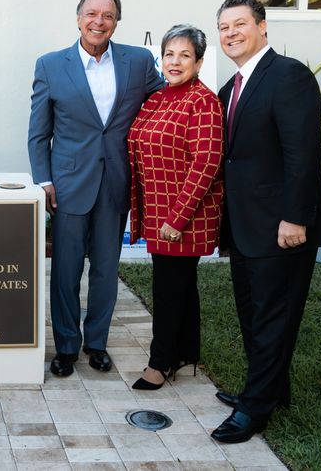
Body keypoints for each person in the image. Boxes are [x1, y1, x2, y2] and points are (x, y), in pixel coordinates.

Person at [210, 0, 321, 443]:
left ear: (263, 27)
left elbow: (303, 153)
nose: (231, 34)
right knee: (253, 314)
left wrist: (295, 219)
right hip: (245, 227)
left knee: (273, 317)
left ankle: (254, 409)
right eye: (223, 27)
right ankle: (270, 388)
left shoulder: (288, 76)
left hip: (283, 226)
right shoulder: (230, 90)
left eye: (239, 24)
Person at [28, 0, 163, 377]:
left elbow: (162, 100)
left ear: (116, 21)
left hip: (116, 179)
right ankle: (67, 346)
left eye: (107, 15)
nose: (98, 21)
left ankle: (97, 343)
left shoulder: (137, 62)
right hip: (69, 183)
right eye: (91, 14)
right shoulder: (52, 65)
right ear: (78, 18)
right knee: (67, 269)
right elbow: (39, 132)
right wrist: (45, 179)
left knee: (106, 267)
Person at [126, 25, 224, 390]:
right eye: (170, 54)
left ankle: (160, 362)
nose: (175, 61)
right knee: (181, 285)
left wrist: (177, 218)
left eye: (185, 55)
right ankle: (186, 352)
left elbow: (207, 162)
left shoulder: (203, 101)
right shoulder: (158, 98)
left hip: (183, 217)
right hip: (157, 212)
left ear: (199, 62)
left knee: (168, 290)